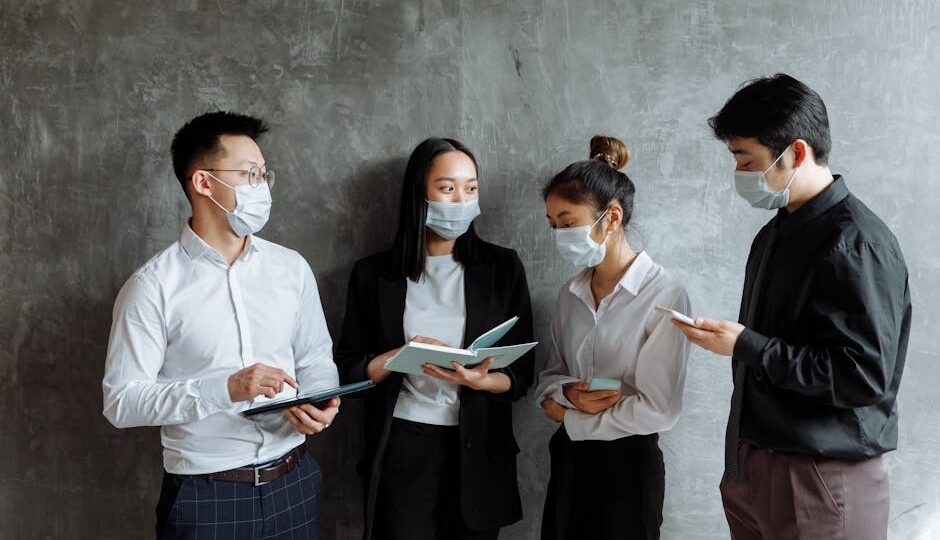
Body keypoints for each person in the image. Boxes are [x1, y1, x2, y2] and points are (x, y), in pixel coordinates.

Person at [674, 73, 912, 540]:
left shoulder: (857, 243)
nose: (739, 172)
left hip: (824, 477)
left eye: (746, 158)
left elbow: (862, 376)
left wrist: (748, 346)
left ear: (796, 152)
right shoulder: (777, 232)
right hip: (758, 468)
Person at [102, 111, 340, 539]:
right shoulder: (153, 287)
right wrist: (226, 389)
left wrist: (319, 401)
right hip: (207, 496)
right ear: (204, 182)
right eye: (250, 174)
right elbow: (122, 402)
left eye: (265, 175)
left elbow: (315, 356)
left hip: (294, 480)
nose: (261, 187)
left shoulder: (292, 268)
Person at [335, 137, 535, 540]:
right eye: (447, 188)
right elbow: (348, 370)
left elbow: (522, 373)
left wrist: (479, 379)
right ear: (418, 194)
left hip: (478, 452)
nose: (461, 199)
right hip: (403, 449)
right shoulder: (374, 275)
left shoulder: (502, 267)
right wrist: (397, 356)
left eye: (471, 187)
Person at [536, 136, 691, 540]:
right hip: (569, 459)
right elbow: (551, 377)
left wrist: (571, 416)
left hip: (628, 465)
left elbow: (659, 408)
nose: (559, 235)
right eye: (553, 225)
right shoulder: (569, 294)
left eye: (568, 223)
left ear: (612, 217)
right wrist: (569, 395)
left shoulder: (664, 295)